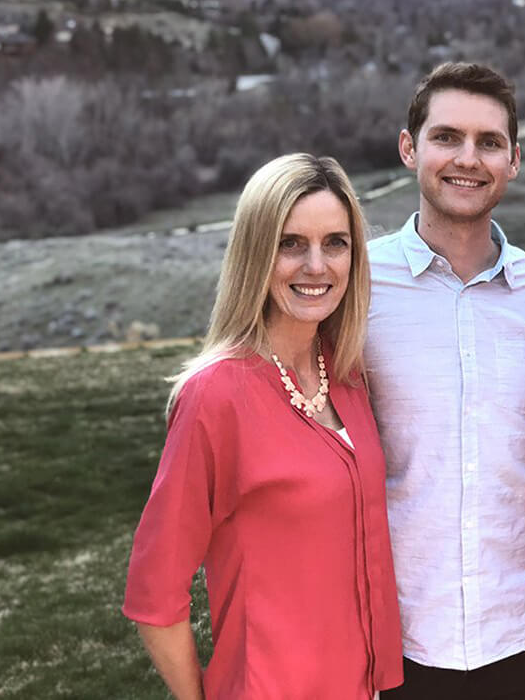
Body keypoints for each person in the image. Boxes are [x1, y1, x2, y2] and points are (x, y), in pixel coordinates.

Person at [123, 153, 403, 699]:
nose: (316, 266)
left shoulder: (347, 375)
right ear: (256, 252)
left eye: (335, 243)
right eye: (290, 243)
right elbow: (154, 598)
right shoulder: (216, 395)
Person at [366, 63, 525, 700]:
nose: (467, 159)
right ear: (409, 148)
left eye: (489, 142)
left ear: (514, 160)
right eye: (447, 136)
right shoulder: (355, 286)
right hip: (394, 632)